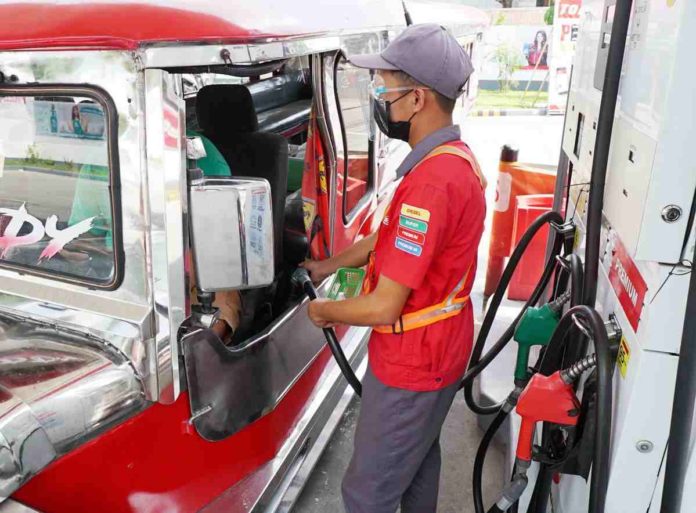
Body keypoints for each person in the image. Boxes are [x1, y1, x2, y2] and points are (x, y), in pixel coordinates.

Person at [303, 24, 487, 513]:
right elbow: (382, 241)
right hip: (439, 346)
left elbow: (385, 305)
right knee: (415, 466)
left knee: (369, 493)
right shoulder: (449, 160)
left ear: (418, 99)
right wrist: (326, 264)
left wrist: (326, 310)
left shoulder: (431, 184)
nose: (380, 99)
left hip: (414, 360)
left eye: (385, 88)